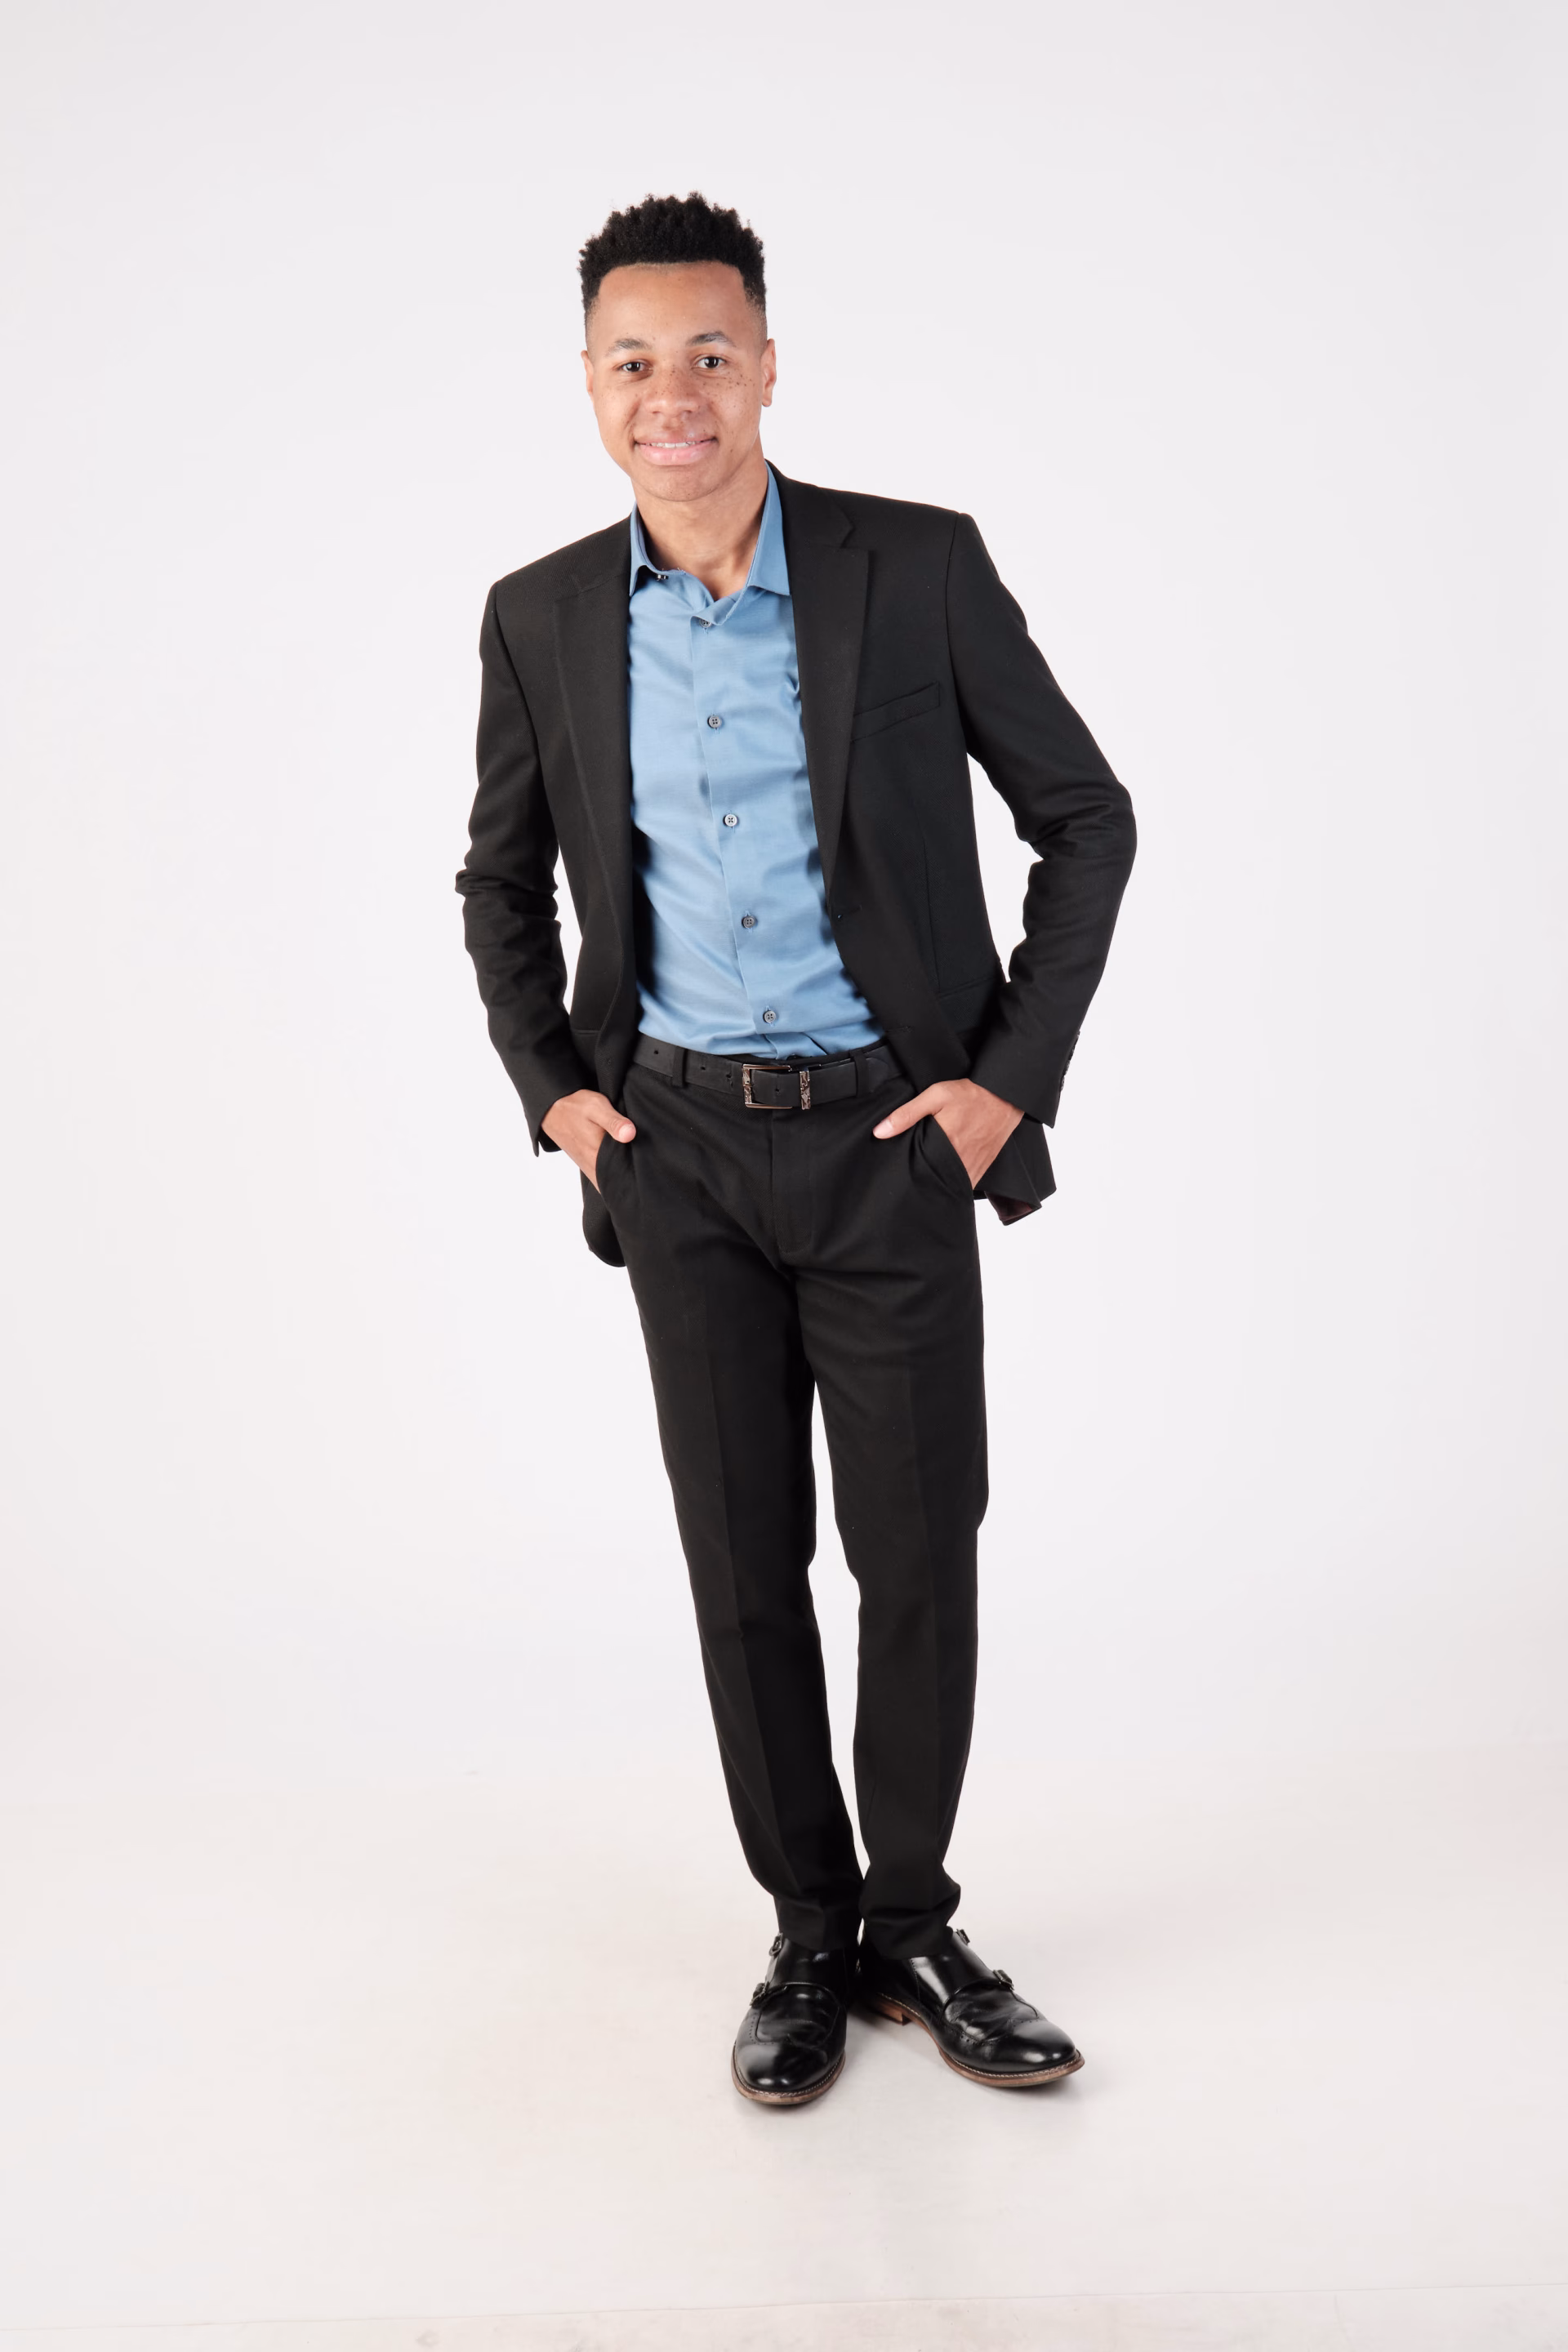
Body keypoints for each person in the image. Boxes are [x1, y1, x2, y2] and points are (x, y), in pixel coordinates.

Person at [457, 193, 1135, 2105]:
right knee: (742, 1562)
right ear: (590, 384)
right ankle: (810, 1930)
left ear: (766, 367)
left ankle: (915, 1918)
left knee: (917, 1552)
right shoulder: (537, 613)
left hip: (888, 1145)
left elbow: (1087, 818)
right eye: (633, 362)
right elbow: (499, 880)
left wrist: (1007, 1082)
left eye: (708, 354)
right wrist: (559, 1094)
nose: (670, 394)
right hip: (674, 1153)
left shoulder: (913, 569)